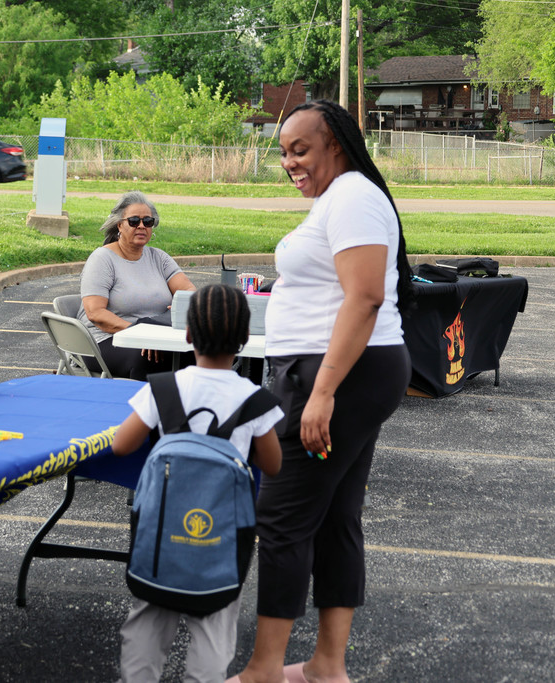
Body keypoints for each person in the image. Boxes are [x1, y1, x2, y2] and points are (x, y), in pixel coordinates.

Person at [229, 100, 414, 683]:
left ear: (335, 141)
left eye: (300, 149)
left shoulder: (354, 197)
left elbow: (364, 298)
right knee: (335, 516)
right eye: (283, 152)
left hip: (337, 375)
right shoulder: (342, 198)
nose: (290, 162)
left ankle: (264, 671)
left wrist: (324, 391)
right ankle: (326, 667)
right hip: (340, 371)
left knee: (282, 517)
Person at [111, 284, 284, 683]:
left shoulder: (164, 388)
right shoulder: (253, 399)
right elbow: (273, 464)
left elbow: (122, 445)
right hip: (220, 542)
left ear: (187, 335)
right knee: (214, 629)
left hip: (160, 539)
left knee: (147, 623)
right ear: (245, 339)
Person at [78, 191, 195, 380]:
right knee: (148, 359)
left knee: (196, 351)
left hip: (155, 337)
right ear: (120, 225)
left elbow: (189, 290)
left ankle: (186, 407)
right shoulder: (102, 259)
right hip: (104, 340)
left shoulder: (159, 258)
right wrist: (140, 334)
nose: (141, 226)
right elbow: (95, 314)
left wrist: (183, 304)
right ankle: (141, 408)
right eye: (134, 221)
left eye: (147, 221)